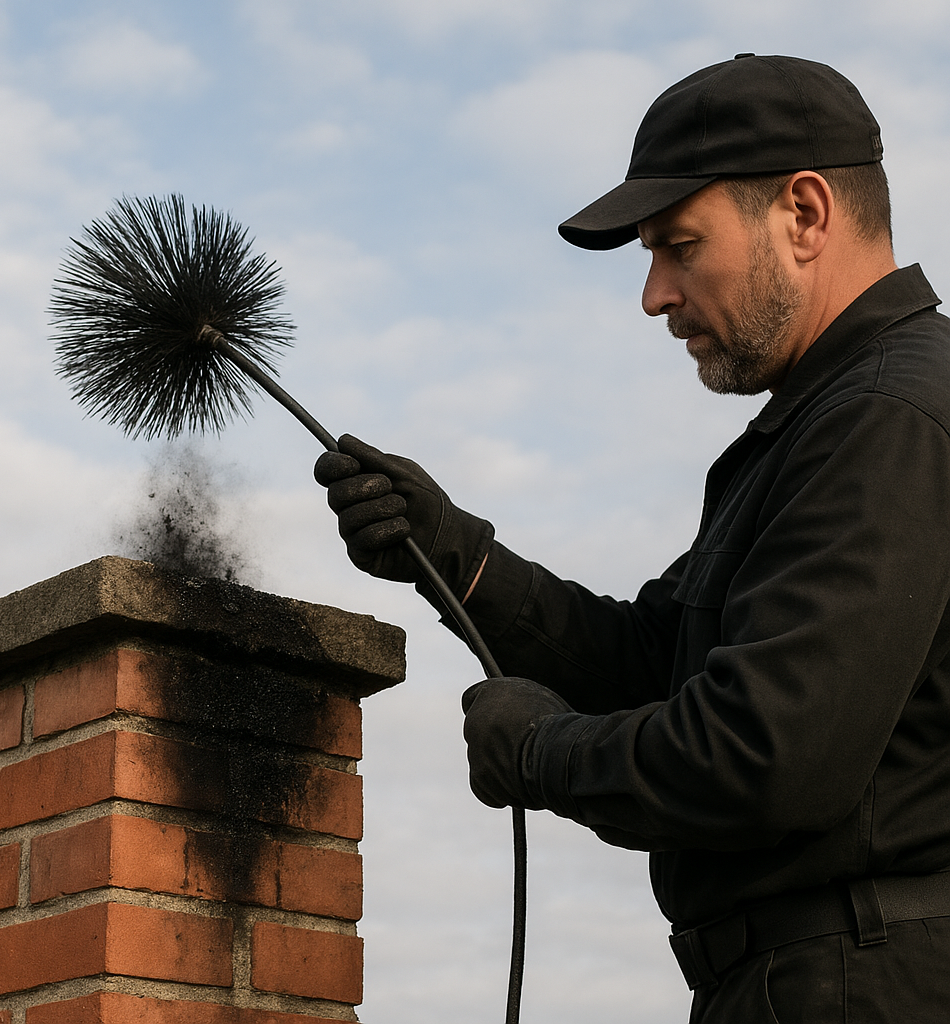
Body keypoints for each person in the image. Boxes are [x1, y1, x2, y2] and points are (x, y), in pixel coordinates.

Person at [314, 54, 950, 1021]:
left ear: (805, 214)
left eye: (680, 246)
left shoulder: (889, 418)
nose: (654, 295)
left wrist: (541, 753)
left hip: (862, 984)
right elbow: (657, 659)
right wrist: (453, 557)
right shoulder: (825, 426)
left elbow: (764, 754)